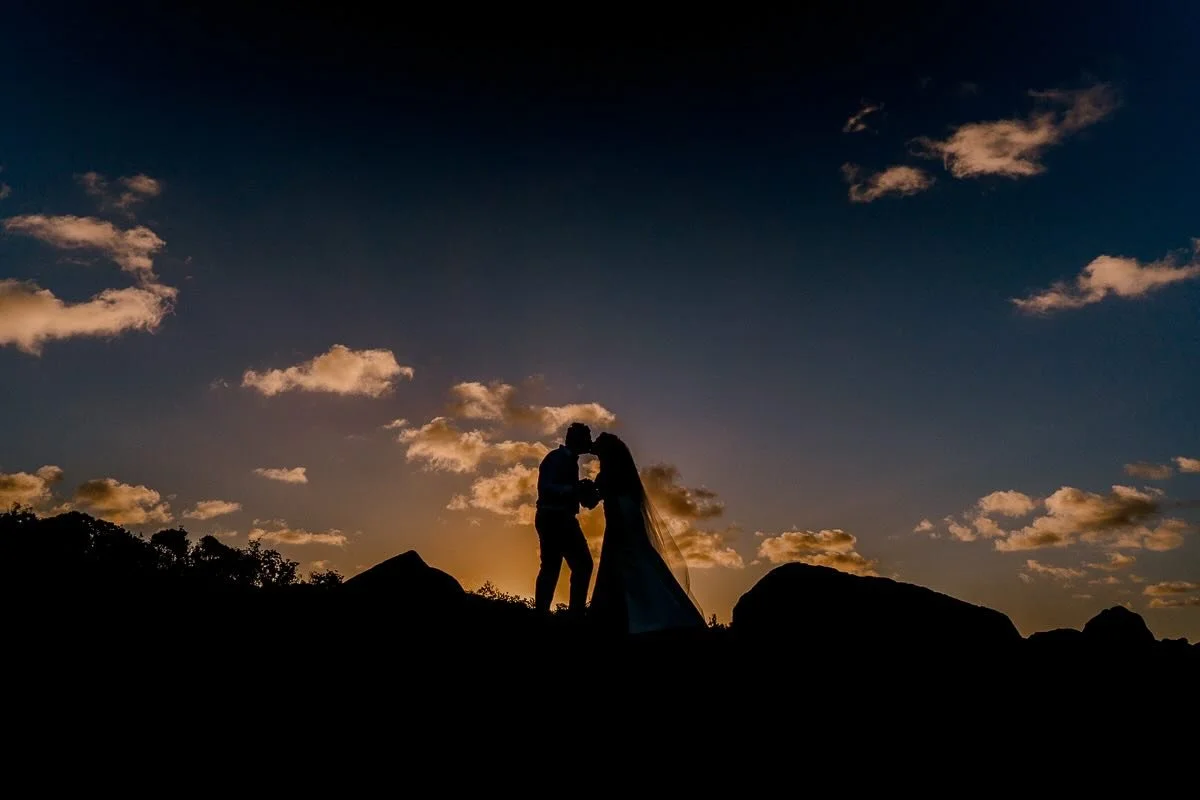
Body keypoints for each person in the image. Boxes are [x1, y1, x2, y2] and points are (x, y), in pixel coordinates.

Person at [588, 432, 706, 634]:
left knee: (626, 562)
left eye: (598, 445)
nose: (594, 447)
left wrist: (584, 492)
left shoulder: (609, 473)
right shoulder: (619, 471)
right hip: (625, 516)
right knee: (639, 560)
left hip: (620, 518)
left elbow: (597, 497)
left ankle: (631, 615)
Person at [534, 422, 598, 617]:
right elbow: (546, 488)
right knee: (576, 565)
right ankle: (572, 614)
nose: (589, 443)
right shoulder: (555, 458)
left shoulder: (569, 461)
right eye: (586, 439)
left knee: (554, 566)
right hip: (554, 517)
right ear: (577, 440)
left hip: (559, 517)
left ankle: (546, 613)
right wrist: (574, 489)